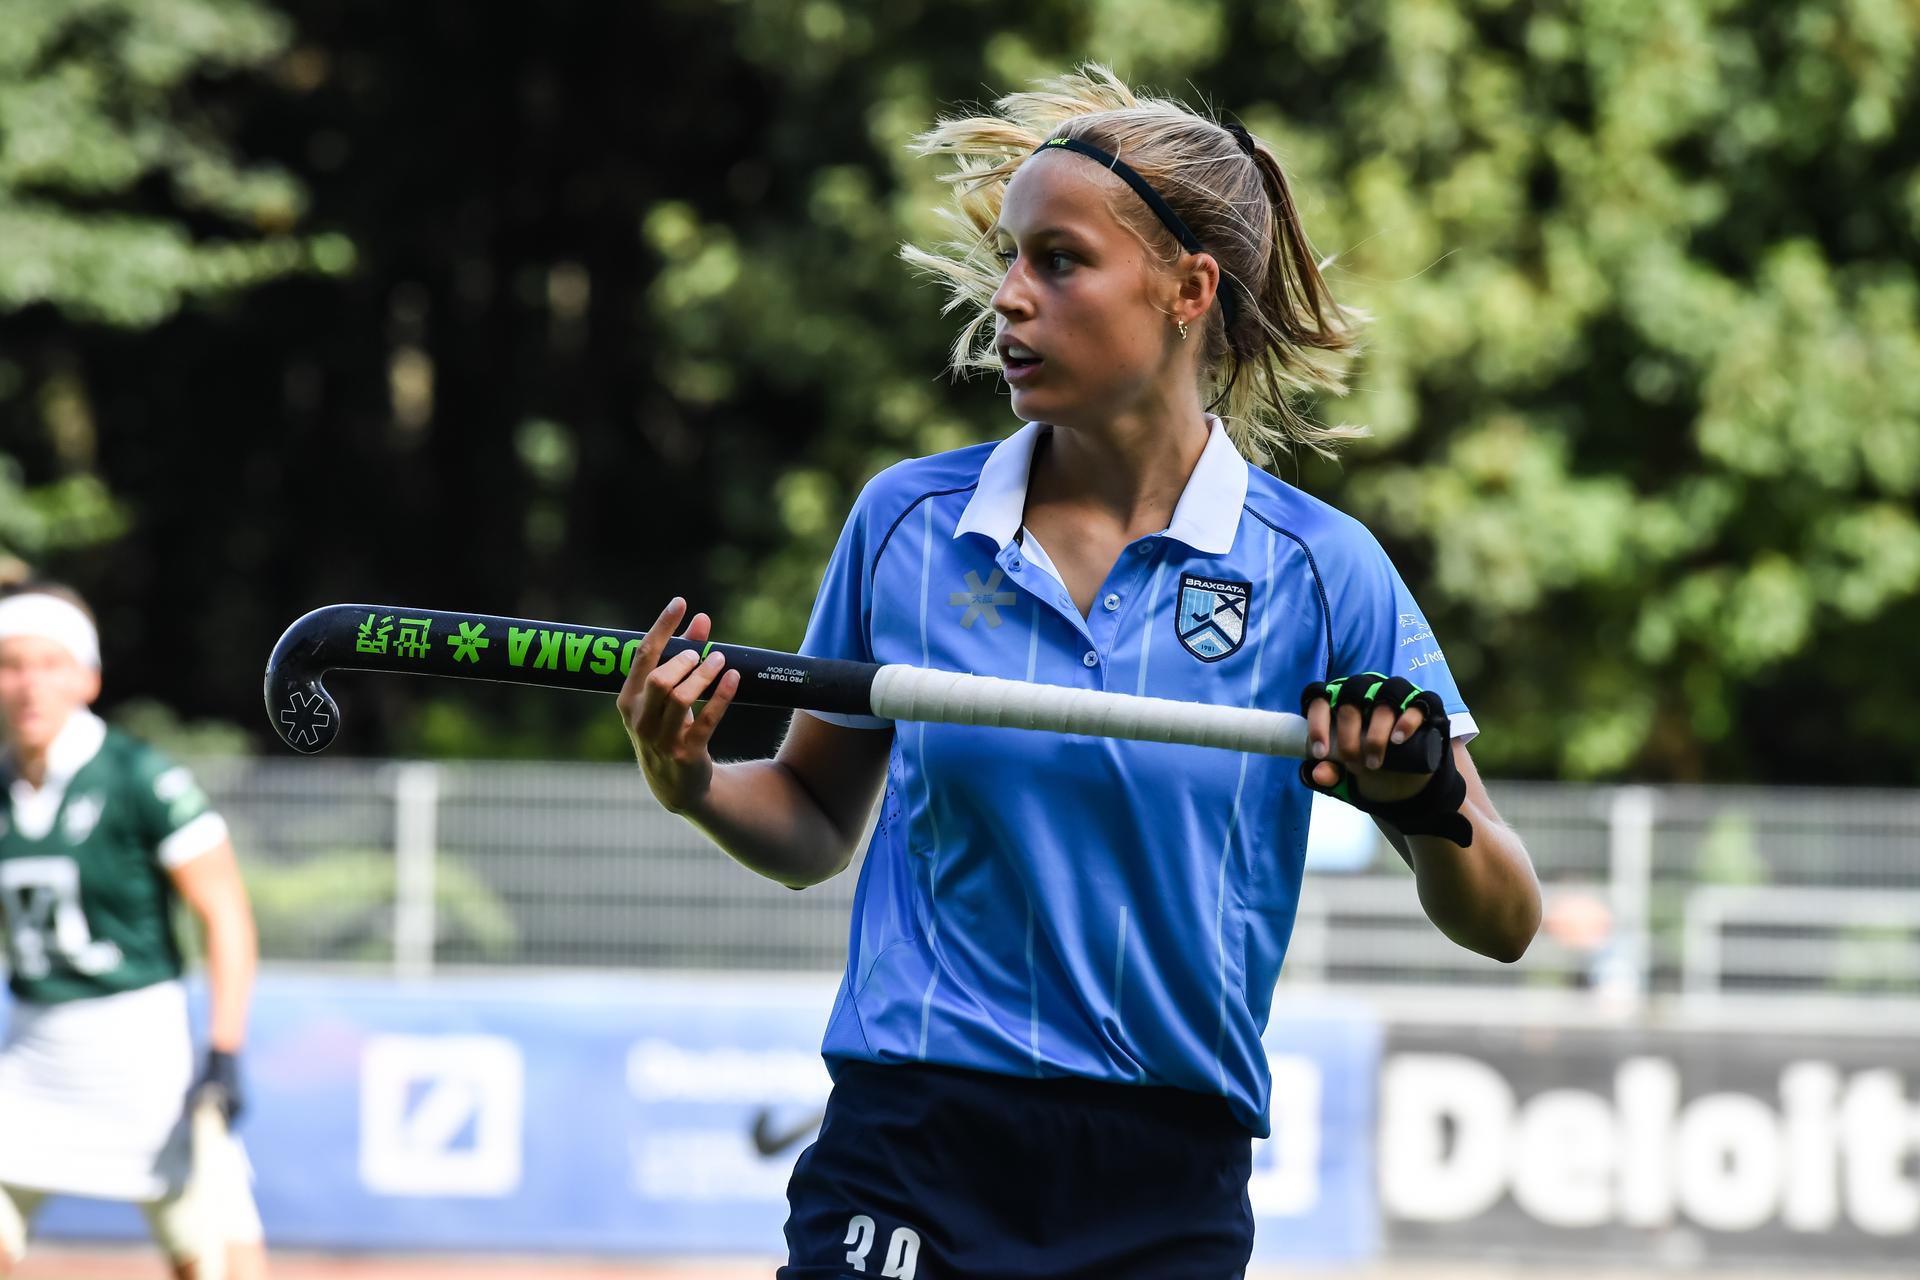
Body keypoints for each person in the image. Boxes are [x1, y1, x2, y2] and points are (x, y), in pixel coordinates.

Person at [619, 66, 1543, 1277]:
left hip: (1164, 1176)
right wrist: (686, 774)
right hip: (911, 1140)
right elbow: (807, 818)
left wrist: (1422, 805)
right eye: (1011, 258)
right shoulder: (906, 523)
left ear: (1188, 289)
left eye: (1058, 261)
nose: (1008, 298)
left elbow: (1507, 915)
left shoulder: (1323, 572)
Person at [0, 584, 267, 1280]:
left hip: (142, 1055)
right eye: (11, 664)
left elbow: (225, 913)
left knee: (220, 1262)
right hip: (32, 1051)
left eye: (49, 664)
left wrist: (224, 1049)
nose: (30, 686)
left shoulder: (138, 776)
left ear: (87, 678)